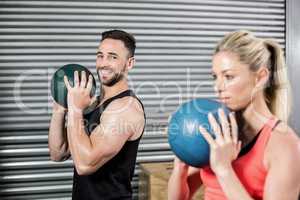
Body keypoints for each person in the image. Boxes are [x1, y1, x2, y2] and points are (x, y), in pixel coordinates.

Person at [168, 30, 300, 200]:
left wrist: (224, 170)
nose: (218, 87)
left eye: (229, 76)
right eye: (215, 77)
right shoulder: (218, 129)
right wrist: (180, 165)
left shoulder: (285, 144)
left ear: (260, 78)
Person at [48, 30, 145, 200]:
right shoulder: (93, 103)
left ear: (129, 63)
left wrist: (76, 109)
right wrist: (60, 108)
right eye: (100, 55)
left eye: (113, 57)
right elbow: (58, 153)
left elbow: (85, 164)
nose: (103, 63)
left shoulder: (125, 108)